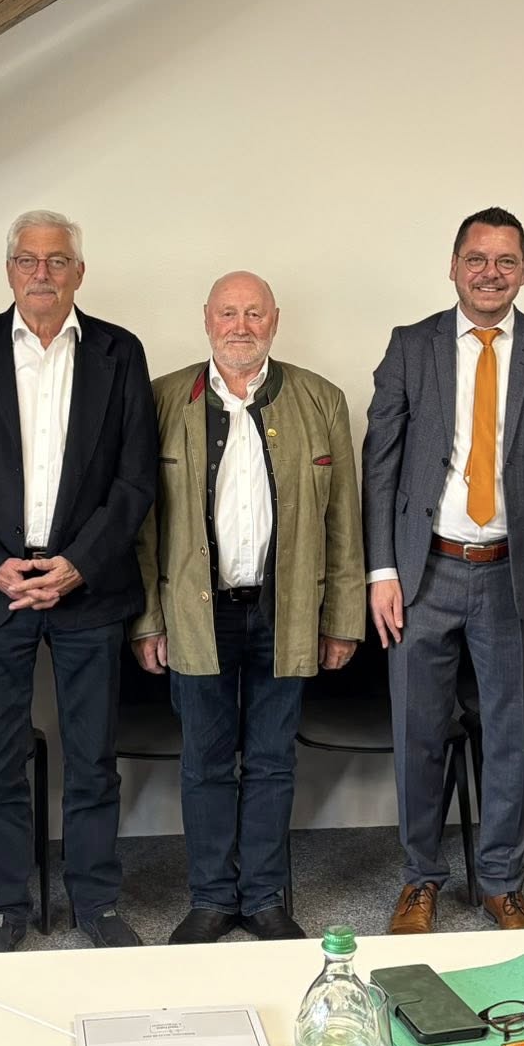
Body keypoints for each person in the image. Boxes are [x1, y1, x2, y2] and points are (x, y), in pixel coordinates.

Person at [0, 210, 156, 952]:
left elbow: (136, 479)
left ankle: (95, 901)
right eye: (28, 260)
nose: (42, 274)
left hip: (88, 586)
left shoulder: (119, 352)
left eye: (57, 261)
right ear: (10, 270)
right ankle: (4, 905)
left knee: (93, 760)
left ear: (79, 272)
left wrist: (78, 563)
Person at [363, 207, 524, 934]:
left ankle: (501, 881)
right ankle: (420, 879)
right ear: (454, 265)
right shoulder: (412, 345)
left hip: (512, 576)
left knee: (508, 736)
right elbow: (380, 466)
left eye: (506, 261)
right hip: (422, 573)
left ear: (523, 271)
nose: (490, 273)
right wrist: (381, 570)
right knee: (419, 736)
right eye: (477, 259)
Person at [131, 271, 365, 945]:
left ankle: (263, 899)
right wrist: (147, 619)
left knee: (272, 760)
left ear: (275, 320)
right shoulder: (163, 399)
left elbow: (344, 522)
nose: (241, 326)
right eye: (228, 313)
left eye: (254, 314)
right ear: (206, 318)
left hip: (285, 612)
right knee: (204, 761)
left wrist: (341, 618)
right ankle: (211, 899)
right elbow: (143, 525)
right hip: (194, 613)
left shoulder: (321, 399)